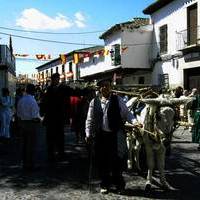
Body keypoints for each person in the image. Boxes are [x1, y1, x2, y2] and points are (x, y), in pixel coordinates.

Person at [85, 78, 141, 194]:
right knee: (102, 161)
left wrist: (135, 122)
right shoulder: (93, 102)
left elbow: (127, 113)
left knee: (117, 161)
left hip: (115, 135)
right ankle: (104, 184)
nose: (106, 87)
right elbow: (89, 119)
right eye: (103, 86)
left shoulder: (117, 100)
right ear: (99, 88)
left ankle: (119, 184)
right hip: (100, 136)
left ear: (111, 87)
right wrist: (88, 133)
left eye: (108, 85)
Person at [41, 73, 82, 162]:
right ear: (52, 79)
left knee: (60, 136)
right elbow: (44, 103)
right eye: (55, 79)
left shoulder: (64, 89)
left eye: (57, 79)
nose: (56, 80)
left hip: (59, 117)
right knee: (50, 137)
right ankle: (51, 154)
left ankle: (61, 153)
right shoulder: (48, 90)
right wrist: (44, 113)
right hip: (51, 117)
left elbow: (72, 94)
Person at [17, 84, 41, 171]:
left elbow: (18, 114)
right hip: (30, 124)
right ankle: (30, 164)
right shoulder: (32, 101)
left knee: (24, 144)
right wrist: (40, 120)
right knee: (31, 145)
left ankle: (24, 163)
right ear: (33, 91)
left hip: (22, 124)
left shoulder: (21, 100)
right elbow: (35, 116)